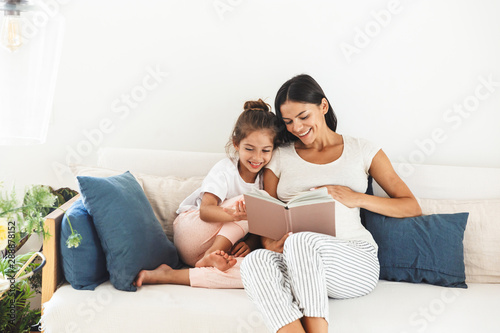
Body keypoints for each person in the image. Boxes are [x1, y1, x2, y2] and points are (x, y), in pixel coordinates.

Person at [240, 74, 422, 333]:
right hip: (297, 261)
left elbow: (411, 206)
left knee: (301, 240)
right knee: (255, 262)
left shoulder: (362, 150)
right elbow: (268, 215)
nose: (297, 128)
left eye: (304, 117)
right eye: (288, 121)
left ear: (323, 107)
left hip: (354, 260)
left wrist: (355, 197)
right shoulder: (279, 156)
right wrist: (270, 243)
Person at [134, 99, 280, 287]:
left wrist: (251, 243)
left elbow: (256, 225)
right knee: (259, 202)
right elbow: (206, 211)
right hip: (192, 230)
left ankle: (168, 274)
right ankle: (212, 253)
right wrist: (232, 215)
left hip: (209, 250)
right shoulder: (226, 169)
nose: (257, 158)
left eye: (266, 151)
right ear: (236, 144)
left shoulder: (264, 180)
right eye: (249, 149)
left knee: (255, 269)